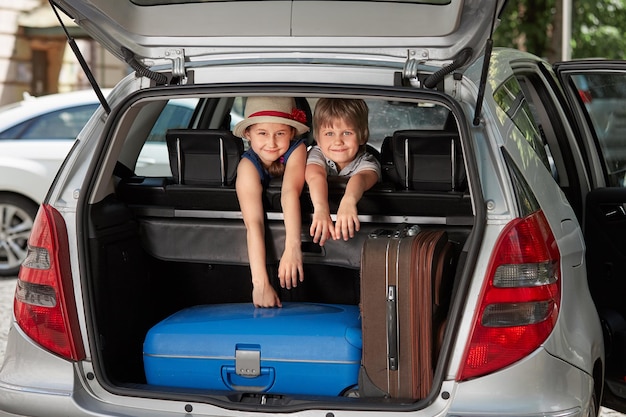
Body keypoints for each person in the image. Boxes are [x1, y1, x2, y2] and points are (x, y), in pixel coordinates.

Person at [233, 96, 309, 308]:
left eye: (280, 133)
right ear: (248, 134)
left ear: (291, 133)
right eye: (262, 133)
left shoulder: (297, 149)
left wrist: (293, 247)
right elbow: (254, 224)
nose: (272, 143)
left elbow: (289, 193)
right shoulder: (247, 165)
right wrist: (260, 284)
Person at [305, 98, 381, 246]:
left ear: (362, 136)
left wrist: (348, 201)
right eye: (329, 133)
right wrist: (320, 209)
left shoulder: (367, 161)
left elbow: (361, 178)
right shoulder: (317, 153)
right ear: (317, 139)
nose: (338, 141)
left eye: (347, 133)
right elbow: (315, 176)